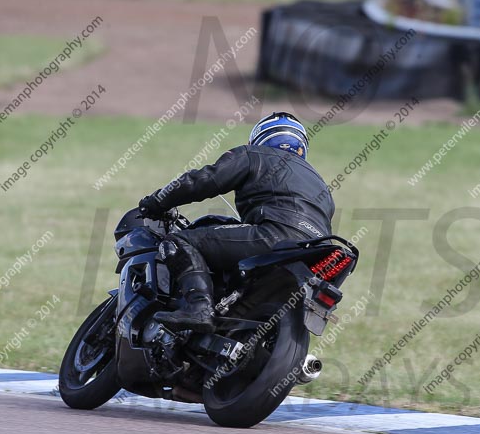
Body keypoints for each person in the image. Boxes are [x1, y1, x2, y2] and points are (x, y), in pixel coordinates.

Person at [138, 112, 335, 334]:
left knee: (178, 242)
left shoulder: (254, 154)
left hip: (274, 235)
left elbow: (203, 180)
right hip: (318, 250)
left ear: (260, 138)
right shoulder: (320, 183)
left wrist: (157, 201)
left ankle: (198, 308)